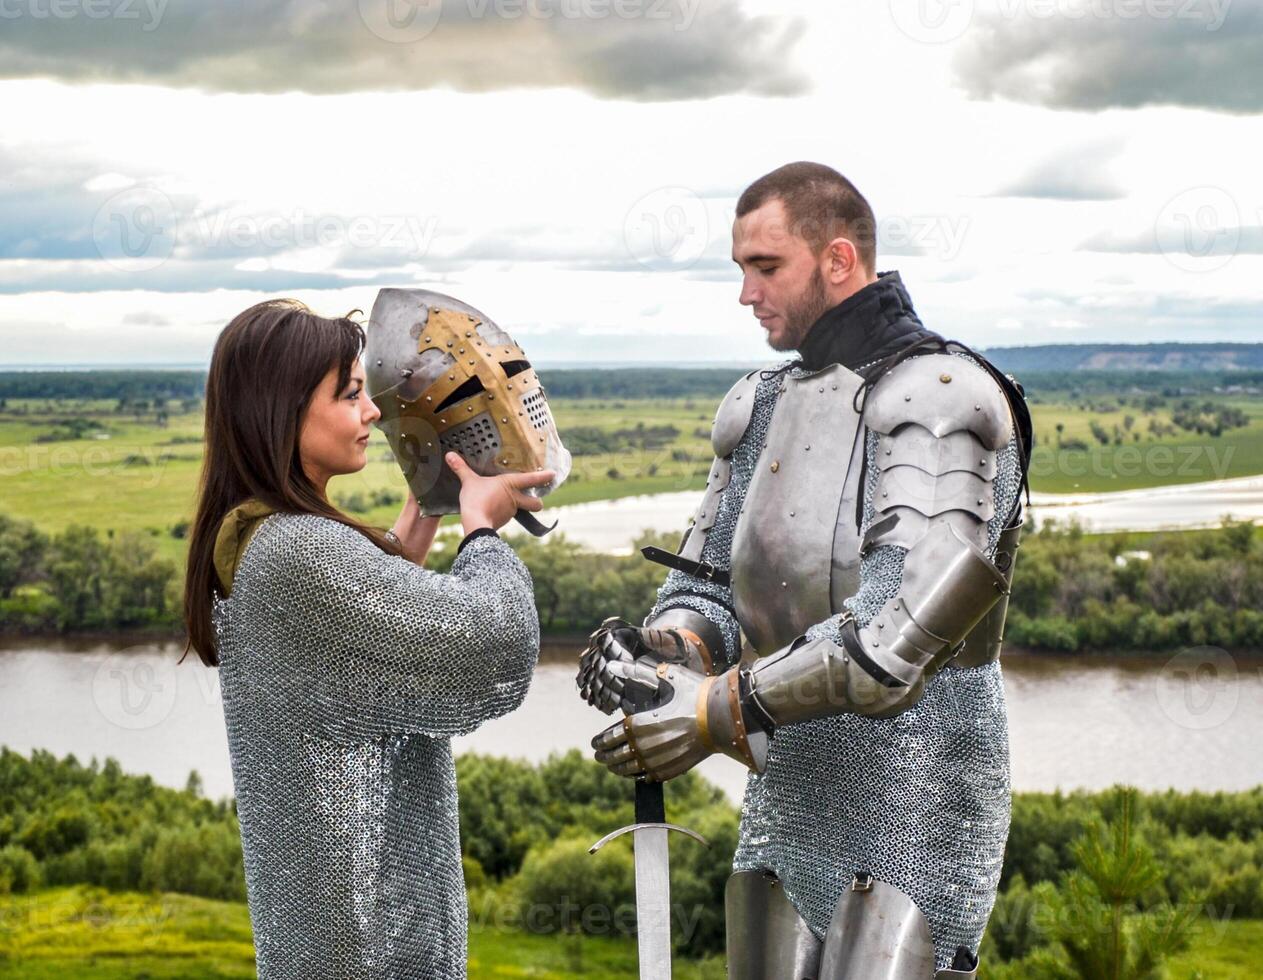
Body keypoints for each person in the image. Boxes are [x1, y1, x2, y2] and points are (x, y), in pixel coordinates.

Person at [577, 162, 1032, 979]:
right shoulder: (758, 403)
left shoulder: (940, 397)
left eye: (765, 266)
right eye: (740, 269)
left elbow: (892, 646)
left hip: (915, 796)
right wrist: (660, 652)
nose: (746, 294)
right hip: (790, 795)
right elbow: (709, 586)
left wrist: (714, 712)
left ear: (837, 260)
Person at [182, 298, 552, 979]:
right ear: (282, 408)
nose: (372, 411)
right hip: (365, 949)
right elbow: (490, 648)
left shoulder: (257, 533)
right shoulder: (298, 552)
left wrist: (424, 509)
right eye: (351, 396)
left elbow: (365, 634)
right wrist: (481, 530)